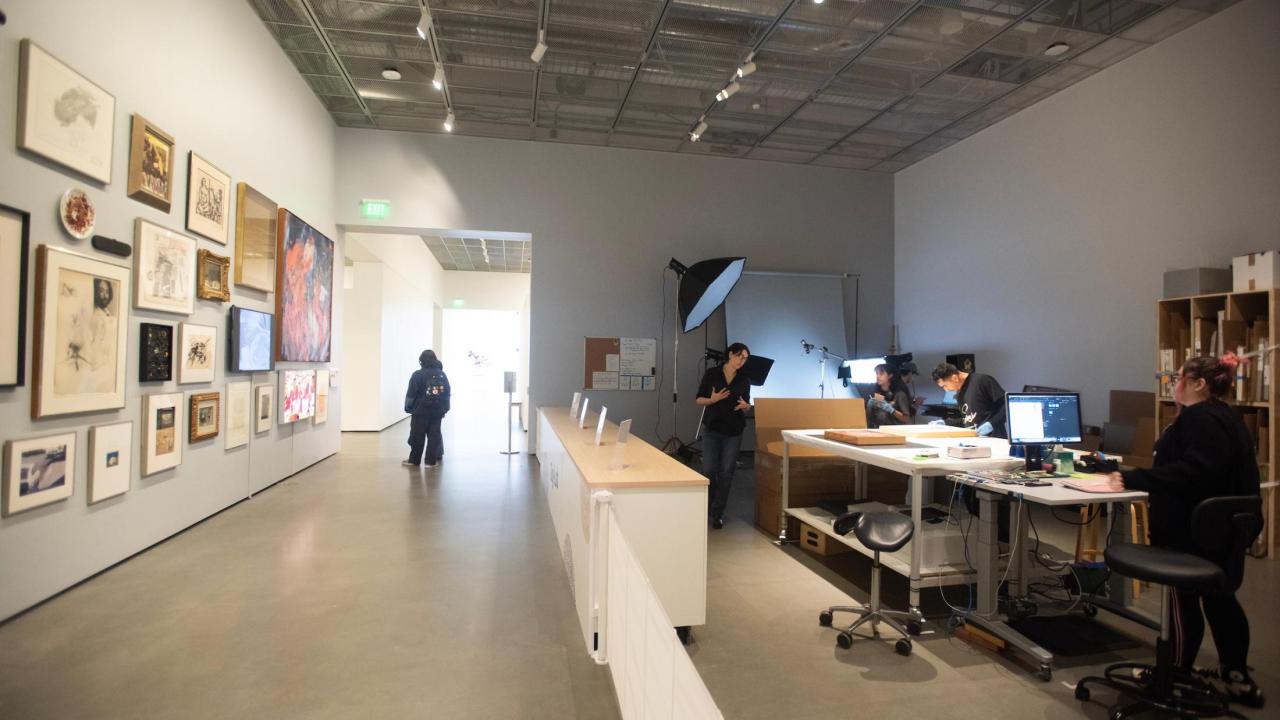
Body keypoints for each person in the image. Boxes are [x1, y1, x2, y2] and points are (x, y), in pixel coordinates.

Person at [1103, 354, 1263, 707]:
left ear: (1198, 383)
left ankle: (1173, 672)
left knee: (1182, 601)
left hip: (1192, 535)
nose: (1173, 384)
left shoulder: (1198, 418)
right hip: (1223, 533)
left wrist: (1132, 477)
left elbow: (1190, 472)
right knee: (1220, 599)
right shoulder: (1228, 417)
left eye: (1178, 377)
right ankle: (1235, 676)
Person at [696, 342, 752, 529]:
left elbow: (746, 403)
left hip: (733, 431)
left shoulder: (744, 379)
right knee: (709, 471)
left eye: (744, 359)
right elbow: (698, 399)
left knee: (726, 473)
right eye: (738, 356)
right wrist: (712, 400)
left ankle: (717, 513)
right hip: (713, 429)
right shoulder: (712, 374)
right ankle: (707, 507)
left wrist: (747, 407)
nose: (741, 361)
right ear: (729, 354)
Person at [931, 362, 1007, 438]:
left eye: (945, 385)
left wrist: (991, 424)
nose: (946, 390)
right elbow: (966, 420)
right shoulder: (960, 395)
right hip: (976, 440)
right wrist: (946, 423)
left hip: (995, 438)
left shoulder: (982, 381)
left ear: (955, 378)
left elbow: (1007, 407)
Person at [403, 350, 451, 467]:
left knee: (417, 436)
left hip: (420, 411)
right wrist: (445, 408)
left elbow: (411, 394)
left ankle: (414, 460)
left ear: (421, 361)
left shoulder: (417, 375)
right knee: (434, 436)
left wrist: (408, 408)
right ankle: (430, 462)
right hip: (437, 411)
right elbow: (447, 393)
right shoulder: (442, 374)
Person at [867, 363, 912, 427]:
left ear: (890, 375)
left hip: (895, 431)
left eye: (881, 374)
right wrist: (869, 408)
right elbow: (870, 418)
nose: (878, 376)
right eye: (877, 374)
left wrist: (891, 410)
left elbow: (907, 419)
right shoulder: (876, 393)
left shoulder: (899, 394)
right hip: (879, 430)